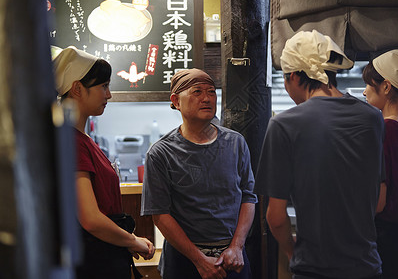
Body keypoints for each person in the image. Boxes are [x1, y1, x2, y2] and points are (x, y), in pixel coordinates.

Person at [255, 30, 385, 279]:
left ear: (293, 76)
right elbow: (379, 201)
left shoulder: (284, 125)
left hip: (314, 270)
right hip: (367, 267)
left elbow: (275, 217)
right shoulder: (372, 118)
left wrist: (292, 253)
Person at [141, 68, 257, 279]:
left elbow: (248, 197)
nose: (207, 98)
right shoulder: (161, 152)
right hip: (184, 260)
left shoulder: (235, 142)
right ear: (176, 101)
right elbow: (159, 214)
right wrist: (199, 260)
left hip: (232, 259)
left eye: (211, 91)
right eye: (197, 92)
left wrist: (237, 246)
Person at [52, 46, 155, 279]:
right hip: (92, 262)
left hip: (100, 255)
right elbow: (90, 218)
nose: (108, 95)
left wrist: (123, 241)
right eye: (103, 86)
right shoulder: (72, 141)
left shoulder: (82, 139)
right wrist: (132, 240)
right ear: (77, 89)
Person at [362, 49, 398, 279]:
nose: (364, 91)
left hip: (384, 237)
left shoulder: (383, 131)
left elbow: (378, 201)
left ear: (386, 86)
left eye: (369, 84)